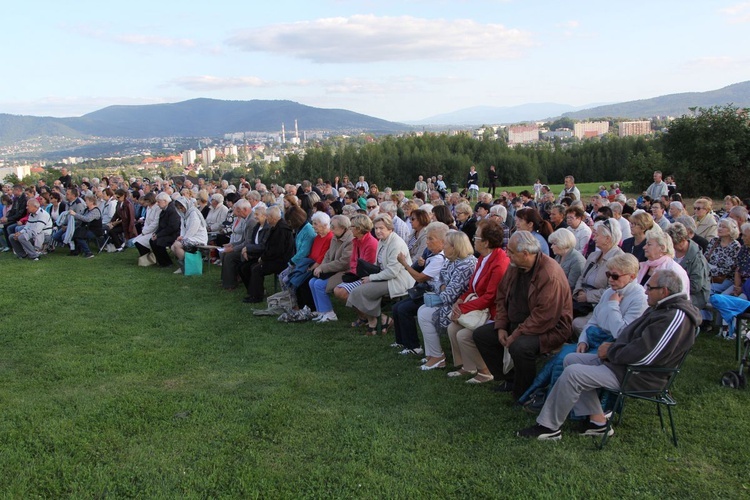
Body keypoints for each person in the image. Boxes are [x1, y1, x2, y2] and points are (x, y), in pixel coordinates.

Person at [517, 270, 699, 441]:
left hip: (640, 375)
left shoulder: (675, 315)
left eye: (650, 288)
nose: (646, 290)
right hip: (623, 365)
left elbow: (647, 356)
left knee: (574, 374)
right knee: (571, 359)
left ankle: (548, 427)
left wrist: (611, 352)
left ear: (665, 291)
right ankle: (597, 422)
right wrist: (612, 349)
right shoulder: (662, 307)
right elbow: (637, 341)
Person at [472, 231, 572, 400]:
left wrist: (515, 334)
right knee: (482, 335)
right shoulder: (514, 267)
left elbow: (544, 316)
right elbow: (501, 296)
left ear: (525, 254)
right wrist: (501, 325)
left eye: (510, 251)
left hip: (550, 328)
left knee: (519, 346)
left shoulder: (549, 273)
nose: (507, 254)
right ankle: (511, 379)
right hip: (518, 322)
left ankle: (525, 391)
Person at [447, 219, 510, 383]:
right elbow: (472, 287)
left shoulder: (499, 263)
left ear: (486, 242)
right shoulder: (483, 257)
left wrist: (463, 309)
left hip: (493, 313)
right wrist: (460, 301)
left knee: (463, 335)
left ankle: (485, 371)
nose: (473, 240)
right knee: (452, 328)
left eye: (476, 237)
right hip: (479, 308)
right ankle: (468, 366)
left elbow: (491, 297)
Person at [417, 231, 478, 370]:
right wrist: (443, 287)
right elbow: (437, 282)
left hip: (460, 306)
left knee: (425, 314)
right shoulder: (450, 260)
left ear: (455, 246)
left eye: (446, 244)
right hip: (449, 302)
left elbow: (448, 295)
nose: (443, 246)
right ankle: (432, 354)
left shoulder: (466, 264)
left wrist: (443, 287)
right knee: (422, 309)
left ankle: (438, 357)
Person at [346, 214, 415, 336]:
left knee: (359, 291)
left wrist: (371, 278)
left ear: (390, 228)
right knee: (359, 290)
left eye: (381, 228)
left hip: (397, 280)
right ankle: (382, 319)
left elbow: (392, 272)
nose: (378, 231)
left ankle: (373, 320)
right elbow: (378, 263)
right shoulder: (382, 241)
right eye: (376, 228)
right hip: (384, 277)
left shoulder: (396, 243)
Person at [391, 222, 449, 355]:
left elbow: (420, 278)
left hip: (434, 296)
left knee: (404, 309)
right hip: (427, 292)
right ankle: (402, 341)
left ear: (442, 241)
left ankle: (414, 346)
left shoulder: (439, 258)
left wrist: (404, 263)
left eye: (431, 239)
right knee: (396, 307)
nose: (427, 242)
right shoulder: (432, 254)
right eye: (427, 238)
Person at [572, 219, 623, 332]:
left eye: (597, 235)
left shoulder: (619, 259)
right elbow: (581, 276)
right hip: (581, 302)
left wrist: (588, 296)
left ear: (607, 239)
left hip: (599, 305)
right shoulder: (593, 255)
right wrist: (579, 291)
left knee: (577, 323)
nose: (593, 238)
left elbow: (614, 290)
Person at [242, 206, 294, 303]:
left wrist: (263, 258)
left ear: (272, 217)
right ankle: (254, 293)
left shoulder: (281, 229)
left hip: (281, 261)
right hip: (275, 258)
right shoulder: (277, 227)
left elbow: (276, 250)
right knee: (251, 267)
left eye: (267, 217)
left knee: (257, 269)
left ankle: (257, 296)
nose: (266, 219)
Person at [308, 215, 354, 323]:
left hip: (346, 272)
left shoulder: (350, 240)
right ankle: (321, 311)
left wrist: (323, 267)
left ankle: (329, 313)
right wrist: (321, 267)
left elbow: (344, 263)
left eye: (333, 227)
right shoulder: (335, 236)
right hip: (334, 269)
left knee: (319, 284)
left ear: (343, 228)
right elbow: (328, 255)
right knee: (312, 282)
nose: (331, 229)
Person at [333, 214, 379, 309]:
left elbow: (367, 266)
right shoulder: (357, 241)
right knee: (338, 290)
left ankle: (369, 315)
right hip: (357, 273)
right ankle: (364, 315)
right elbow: (353, 260)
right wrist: (353, 272)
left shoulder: (371, 243)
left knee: (341, 292)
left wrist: (354, 272)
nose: (350, 229)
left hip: (367, 277)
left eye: (352, 227)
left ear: (359, 228)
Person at [667, 222, 710, 311]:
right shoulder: (671, 252)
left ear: (683, 241)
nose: (672, 247)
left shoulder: (697, 259)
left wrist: (671, 288)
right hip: (673, 291)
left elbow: (695, 286)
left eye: (674, 244)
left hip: (694, 296)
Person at [636, 227, 691, 296]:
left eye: (649, 244)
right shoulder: (644, 266)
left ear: (662, 248)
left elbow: (678, 299)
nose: (644, 247)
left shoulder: (674, 271)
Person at [703, 218, 741, 295]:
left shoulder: (735, 246)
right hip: (707, 274)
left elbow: (728, 269)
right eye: (719, 226)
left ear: (731, 230)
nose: (720, 229)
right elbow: (705, 258)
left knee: (706, 291)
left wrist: (708, 271)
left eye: (723, 227)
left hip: (725, 278)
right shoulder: (714, 241)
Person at [171, 196, 208, 274]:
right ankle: (187, 265)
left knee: (177, 245)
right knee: (173, 247)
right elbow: (183, 228)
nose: (181, 209)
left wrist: (183, 238)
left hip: (198, 238)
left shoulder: (193, 213)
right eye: (179, 208)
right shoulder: (183, 215)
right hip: (190, 237)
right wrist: (181, 236)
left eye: (182, 207)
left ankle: (186, 266)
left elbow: (193, 229)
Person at [150, 193, 181, 267]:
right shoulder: (164, 210)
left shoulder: (172, 210)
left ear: (165, 201)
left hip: (175, 234)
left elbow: (173, 227)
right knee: (152, 240)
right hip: (167, 233)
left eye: (158, 202)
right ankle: (162, 262)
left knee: (158, 242)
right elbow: (161, 225)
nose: (157, 204)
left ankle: (167, 263)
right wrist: (156, 233)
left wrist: (158, 235)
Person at [69, 194, 103, 259]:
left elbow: (87, 219)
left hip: (95, 231)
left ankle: (88, 252)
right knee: (76, 233)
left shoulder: (95, 211)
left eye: (86, 201)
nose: (85, 202)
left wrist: (75, 214)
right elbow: (82, 217)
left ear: (91, 202)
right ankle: (77, 250)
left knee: (79, 236)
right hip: (88, 229)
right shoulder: (87, 210)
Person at [132, 192, 161, 265]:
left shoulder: (157, 208)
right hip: (147, 230)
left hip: (155, 231)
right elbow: (147, 221)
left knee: (140, 242)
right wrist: (144, 230)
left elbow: (155, 223)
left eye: (147, 201)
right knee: (136, 241)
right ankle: (144, 257)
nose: (146, 203)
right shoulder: (148, 208)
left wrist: (146, 231)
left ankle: (149, 258)